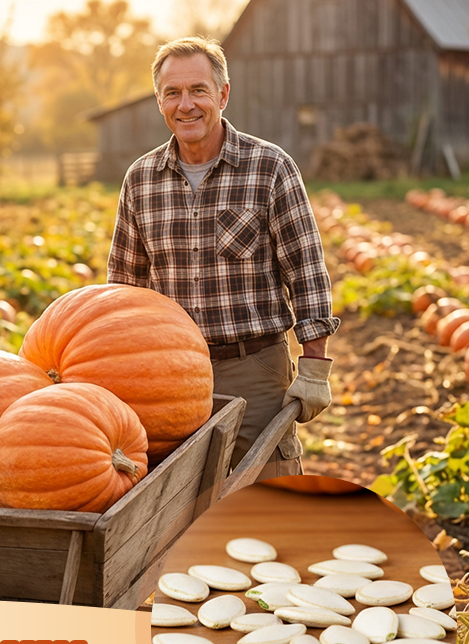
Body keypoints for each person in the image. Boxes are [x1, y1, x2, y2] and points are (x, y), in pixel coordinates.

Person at [106, 36, 340, 478]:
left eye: (198, 90)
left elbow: (306, 271)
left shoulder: (269, 167)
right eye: (172, 93)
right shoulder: (140, 180)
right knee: (176, 508)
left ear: (223, 94)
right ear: (159, 101)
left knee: (269, 497)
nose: (186, 105)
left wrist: (314, 365)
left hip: (251, 366)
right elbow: (123, 288)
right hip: (167, 379)